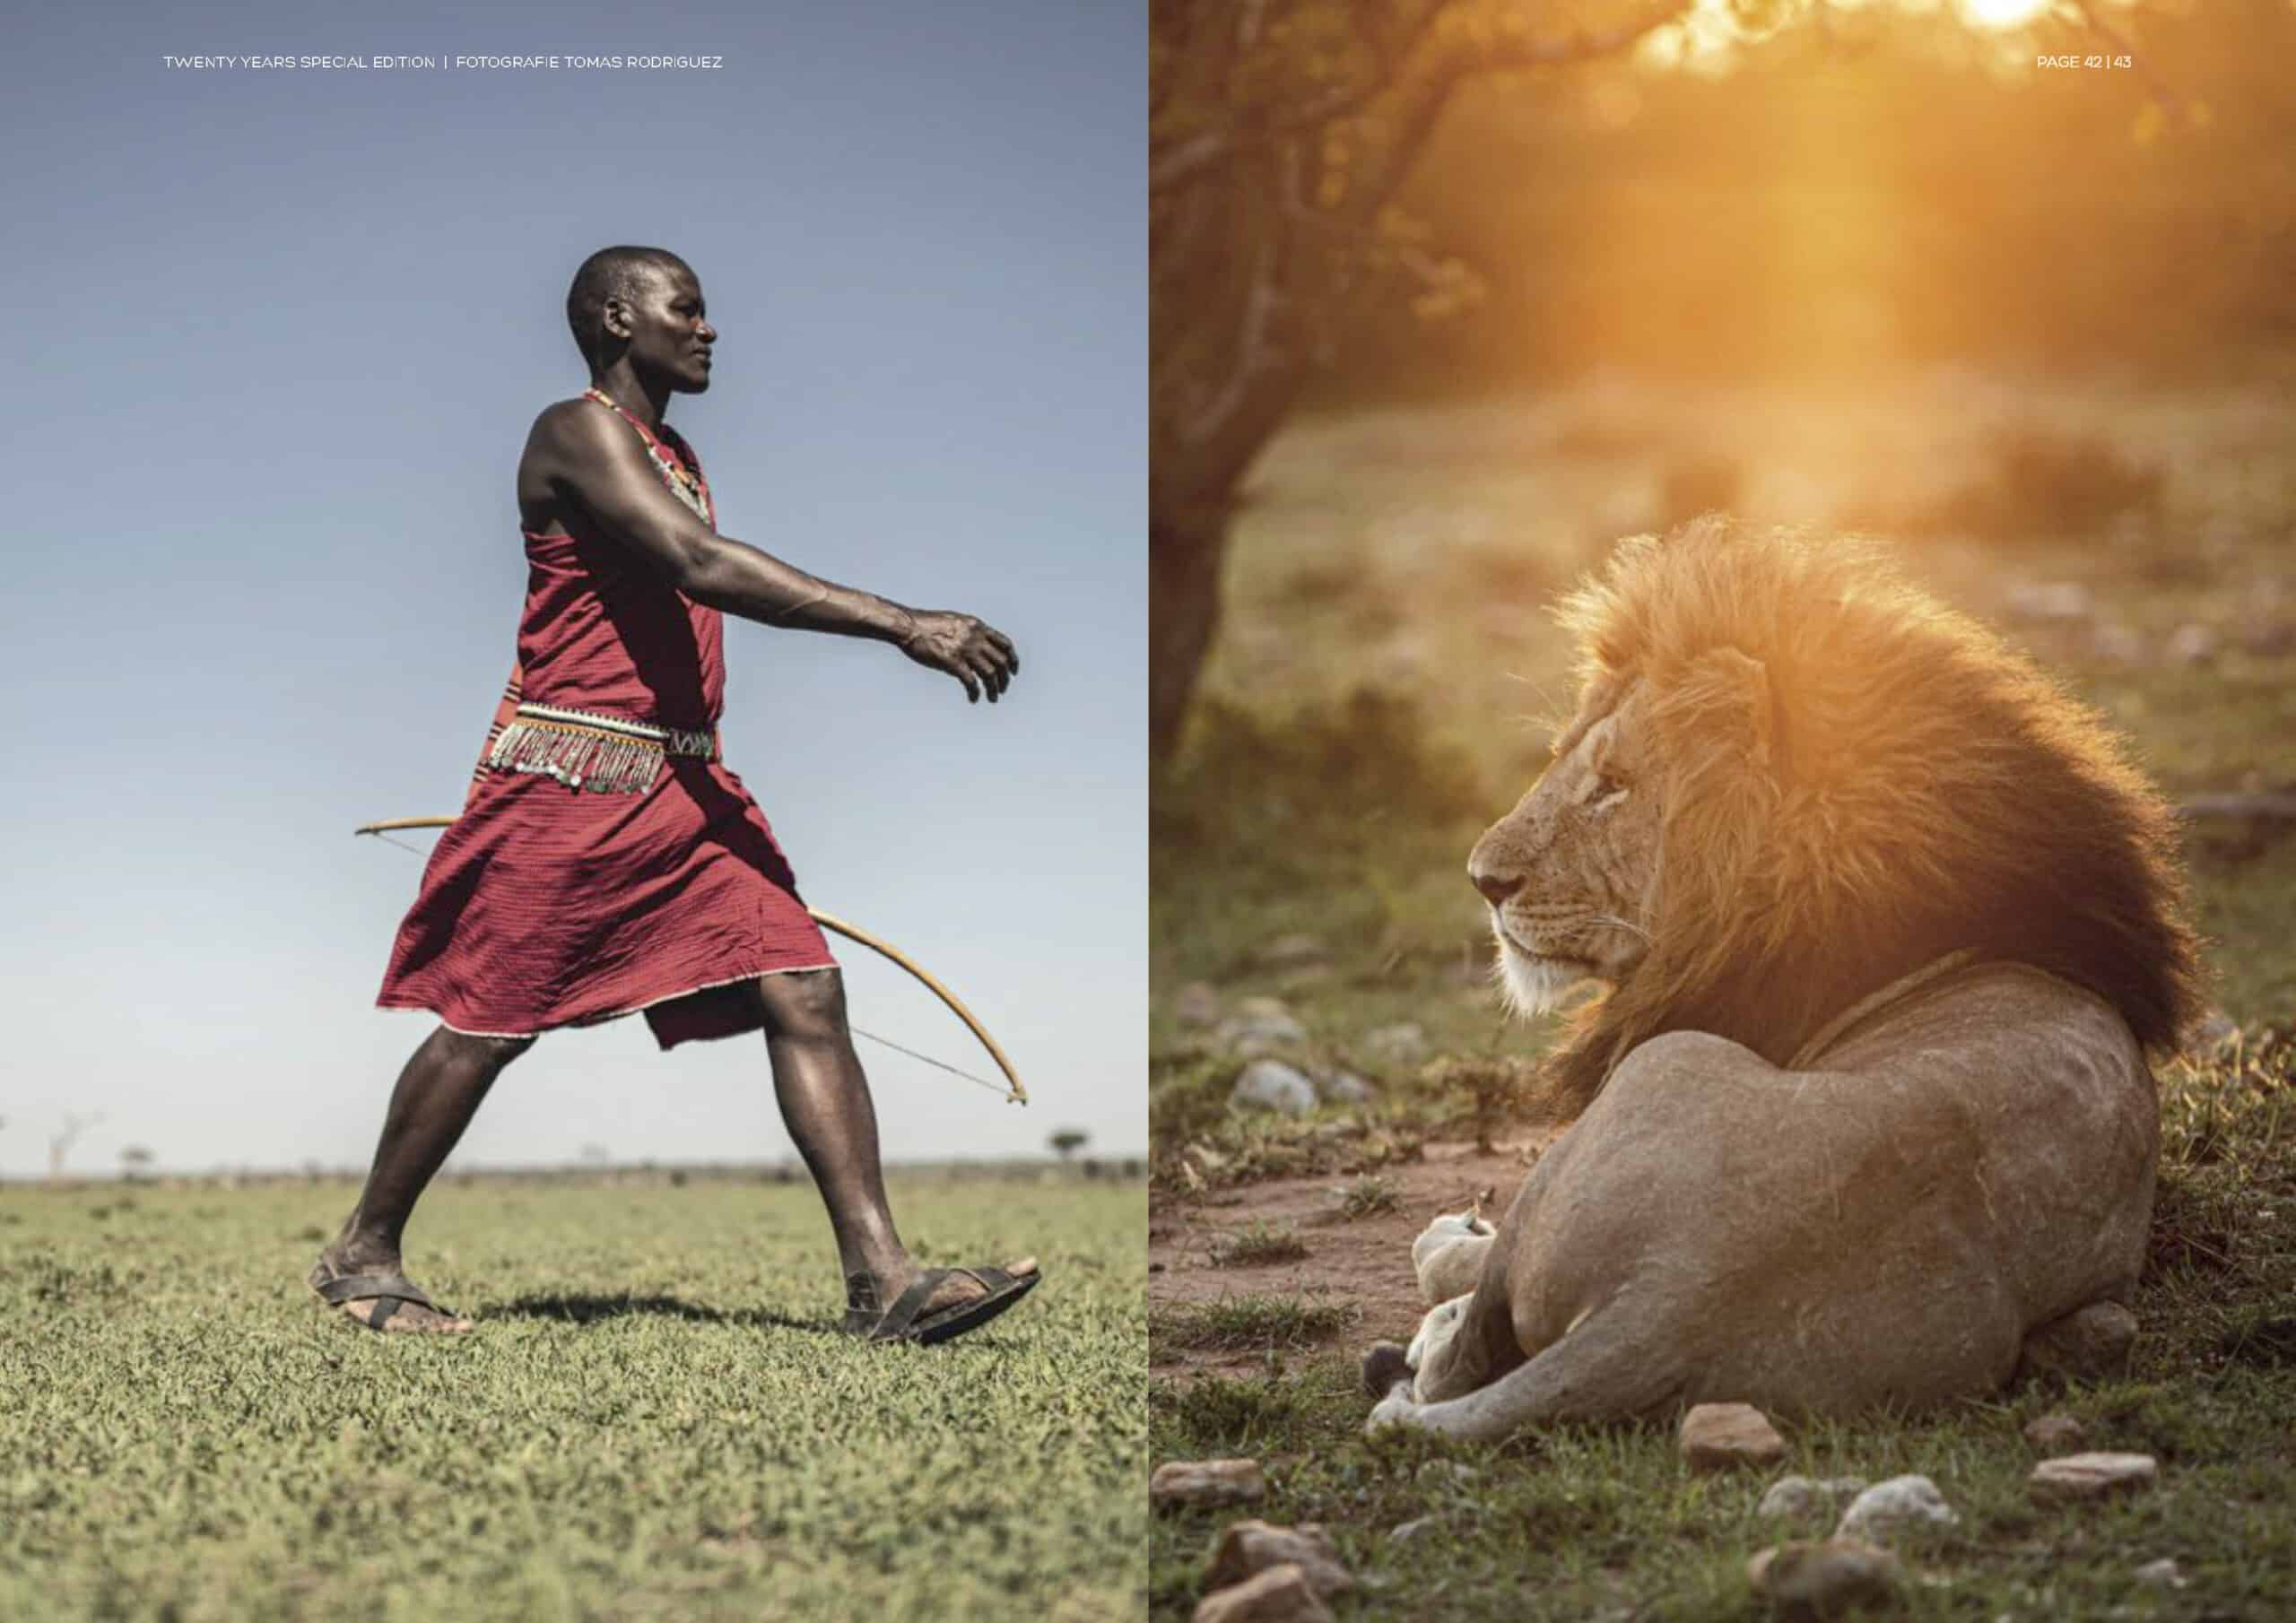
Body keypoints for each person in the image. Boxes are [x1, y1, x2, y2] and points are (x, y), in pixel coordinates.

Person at [309, 246, 1037, 1342]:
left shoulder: (673, 449)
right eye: (685, 309)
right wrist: (904, 623)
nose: (708, 330)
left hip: (686, 787)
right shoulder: (576, 427)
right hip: (570, 778)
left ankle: (882, 1281)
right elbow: (699, 563)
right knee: (488, 1026)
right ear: (617, 317)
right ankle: (364, 1251)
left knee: (803, 986)